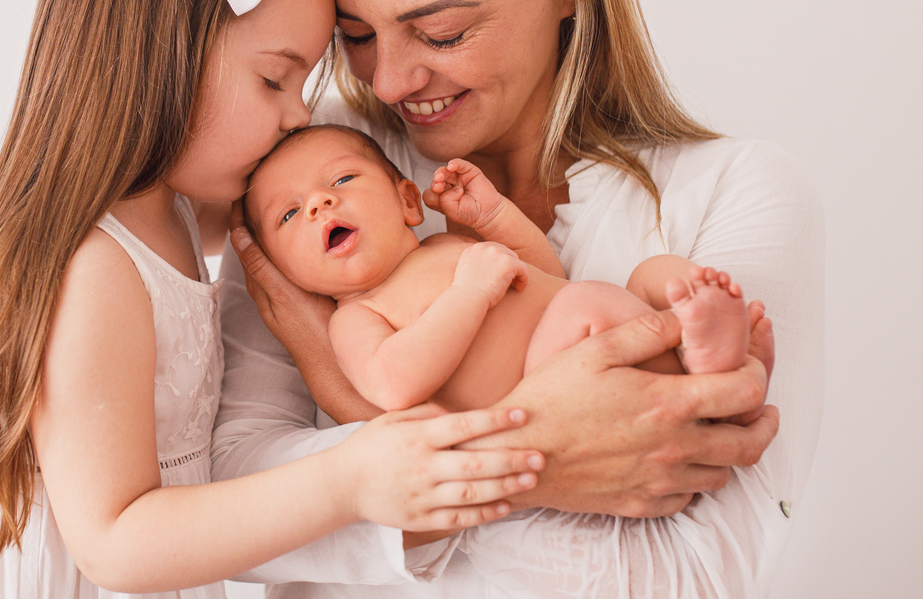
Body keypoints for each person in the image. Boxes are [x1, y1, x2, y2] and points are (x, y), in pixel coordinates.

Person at [0, 0, 549, 599]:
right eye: (273, 79)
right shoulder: (98, 265)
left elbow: (312, 233)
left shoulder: (183, 209)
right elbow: (117, 542)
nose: (298, 115)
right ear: (165, 57)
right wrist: (348, 479)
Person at [212, 0, 823, 598]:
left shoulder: (736, 191)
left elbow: (683, 575)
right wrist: (554, 450)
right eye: (356, 36)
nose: (389, 81)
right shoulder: (311, 172)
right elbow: (216, 506)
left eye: (444, 30)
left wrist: (354, 428)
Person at [243, 123, 761, 415]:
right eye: (289, 215)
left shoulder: (446, 243)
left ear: (408, 201)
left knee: (655, 272)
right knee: (584, 303)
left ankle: (703, 338)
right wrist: (469, 293)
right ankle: (707, 365)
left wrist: (493, 218)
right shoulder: (356, 317)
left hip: (592, 327)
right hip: (552, 395)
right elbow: (393, 385)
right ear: (286, 272)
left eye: (342, 179)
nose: (318, 205)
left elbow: (541, 276)